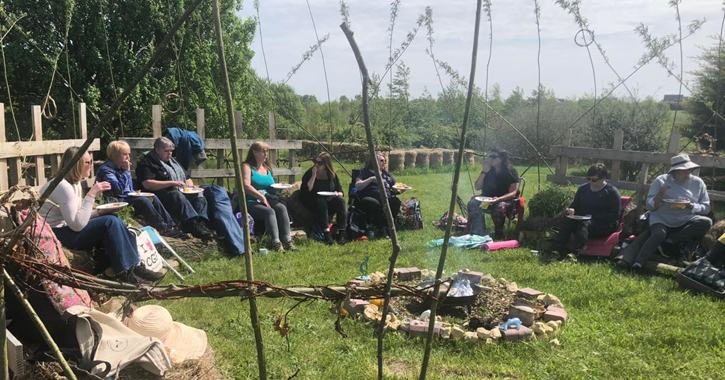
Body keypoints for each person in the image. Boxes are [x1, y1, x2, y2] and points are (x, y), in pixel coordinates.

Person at [38, 147, 162, 285]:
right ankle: (125, 273)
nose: (92, 165)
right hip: (55, 234)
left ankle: (135, 266)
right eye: (88, 162)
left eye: (91, 161)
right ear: (77, 165)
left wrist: (99, 212)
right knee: (110, 222)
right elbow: (77, 224)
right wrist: (91, 195)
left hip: (66, 228)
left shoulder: (74, 183)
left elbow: (78, 216)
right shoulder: (63, 186)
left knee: (113, 219)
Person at [617, 154, 712, 273]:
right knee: (658, 234)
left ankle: (671, 240)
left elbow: (706, 207)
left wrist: (692, 206)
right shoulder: (661, 180)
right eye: (685, 170)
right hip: (661, 217)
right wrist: (660, 194)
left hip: (685, 218)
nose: (688, 172)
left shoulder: (697, 183)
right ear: (675, 171)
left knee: (706, 222)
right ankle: (638, 263)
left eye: (690, 169)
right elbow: (650, 206)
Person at [95, 140, 182, 237]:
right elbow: (118, 190)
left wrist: (134, 192)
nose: (128, 157)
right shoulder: (107, 170)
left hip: (123, 197)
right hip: (113, 200)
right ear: (115, 155)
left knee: (153, 197)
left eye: (129, 154)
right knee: (143, 201)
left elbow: (127, 188)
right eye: (125, 154)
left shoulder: (120, 167)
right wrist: (126, 171)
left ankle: (171, 226)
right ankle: (162, 227)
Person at [135, 137, 215, 240]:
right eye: (166, 151)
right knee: (176, 195)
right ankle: (191, 224)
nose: (169, 154)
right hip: (159, 195)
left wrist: (191, 187)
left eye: (171, 151)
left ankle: (201, 224)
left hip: (177, 192)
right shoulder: (147, 162)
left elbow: (186, 178)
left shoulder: (174, 162)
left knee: (199, 195)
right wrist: (172, 183)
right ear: (157, 149)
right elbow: (147, 184)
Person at [551, 163, 621, 256]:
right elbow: (575, 204)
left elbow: (614, 216)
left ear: (604, 178)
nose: (591, 182)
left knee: (584, 224)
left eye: (594, 180)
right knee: (567, 220)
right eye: (589, 179)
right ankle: (557, 249)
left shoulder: (612, 192)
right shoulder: (583, 188)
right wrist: (571, 209)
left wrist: (590, 217)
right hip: (581, 219)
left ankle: (575, 253)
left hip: (603, 225)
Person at [242, 141, 297, 252]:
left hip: (268, 198)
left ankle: (287, 240)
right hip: (251, 200)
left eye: (266, 152)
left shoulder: (267, 169)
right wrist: (261, 197)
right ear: (254, 152)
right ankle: (275, 242)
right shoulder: (247, 167)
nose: (266, 154)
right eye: (263, 151)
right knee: (269, 211)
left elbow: (270, 187)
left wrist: (279, 186)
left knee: (281, 208)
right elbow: (246, 186)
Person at [467, 149, 520, 240]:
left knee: (499, 207)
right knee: (473, 203)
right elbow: (477, 187)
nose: (490, 159)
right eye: (490, 156)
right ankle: (480, 231)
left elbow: (513, 192)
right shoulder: (489, 170)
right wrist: (484, 172)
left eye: (493, 157)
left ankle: (499, 232)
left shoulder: (510, 171)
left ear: (502, 159)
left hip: (506, 200)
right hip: (488, 201)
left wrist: (498, 199)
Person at [300, 152, 346, 245]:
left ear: (326, 164)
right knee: (321, 201)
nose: (316, 164)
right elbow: (307, 189)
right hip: (313, 201)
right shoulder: (311, 172)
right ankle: (326, 233)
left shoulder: (331, 175)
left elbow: (341, 191)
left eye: (319, 163)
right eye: (315, 162)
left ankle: (342, 232)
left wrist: (337, 194)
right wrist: (314, 175)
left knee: (341, 201)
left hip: (329, 200)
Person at [354, 152, 401, 238]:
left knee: (395, 201)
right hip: (371, 197)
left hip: (386, 197)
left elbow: (395, 187)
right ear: (374, 162)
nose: (384, 162)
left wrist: (400, 190)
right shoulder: (364, 172)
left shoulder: (386, 174)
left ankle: (388, 226)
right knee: (374, 203)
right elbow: (356, 187)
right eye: (382, 160)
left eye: (385, 161)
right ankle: (381, 228)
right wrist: (371, 179)